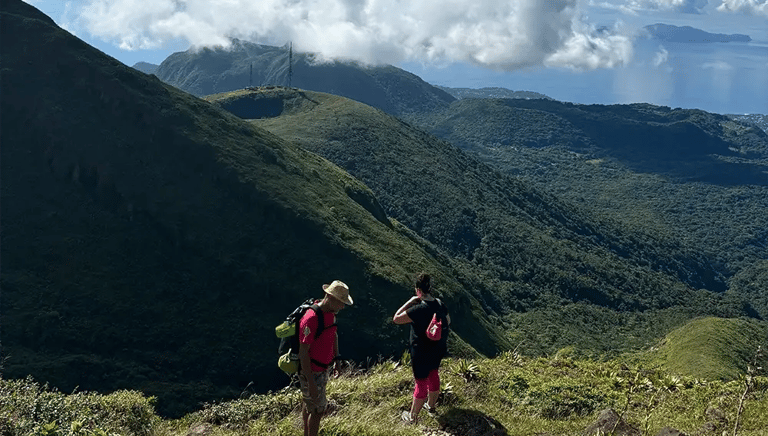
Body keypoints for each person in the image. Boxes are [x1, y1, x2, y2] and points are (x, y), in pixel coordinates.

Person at [393, 272, 451, 423]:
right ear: (430, 288)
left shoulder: (417, 309)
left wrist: (410, 301)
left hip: (421, 351)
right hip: (438, 348)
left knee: (421, 382)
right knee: (433, 374)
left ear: (418, 290)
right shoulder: (440, 303)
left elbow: (396, 319)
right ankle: (430, 406)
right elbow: (448, 321)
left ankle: (412, 417)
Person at [298, 280, 353, 436]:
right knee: (318, 411)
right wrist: (311, 382)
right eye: (341, 302)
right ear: (330, 297)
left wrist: (337, 360)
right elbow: (303, 352)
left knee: (310, 404)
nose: (342, 307)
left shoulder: (330, 314)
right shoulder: (311, 318)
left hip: (322, 368)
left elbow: (333, 334)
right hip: (312, 371)